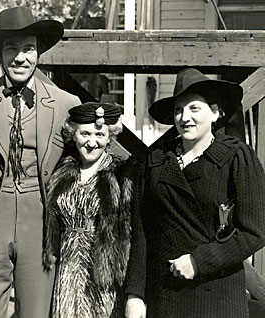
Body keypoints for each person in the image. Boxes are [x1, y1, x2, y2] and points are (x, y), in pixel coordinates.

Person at [0, 6, 81, 318]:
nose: (20, 57)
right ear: (0, 53)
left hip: (40, 229)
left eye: (28, 48)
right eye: (12, 48)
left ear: (38, 53)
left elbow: (84, 169)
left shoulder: (66, 105)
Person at [140, 68, 265, 317]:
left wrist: (200, 261)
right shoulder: (157, 161)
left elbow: (255, 230)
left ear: (216, 113)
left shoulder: (236, 156)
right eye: (178, 109)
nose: (184, 117)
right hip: (164, 297)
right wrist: (135, 294)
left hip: (217, 297)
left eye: (194, 108)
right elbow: (142, 231)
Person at [42, 102, 146, 318]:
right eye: (85, 134)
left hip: (103, 274)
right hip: (67, 268)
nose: (91, 142)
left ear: (110, 137)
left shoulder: (122, 175)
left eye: (99, 135)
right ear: (74, 135)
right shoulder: (61, 171)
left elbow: (132, 231)